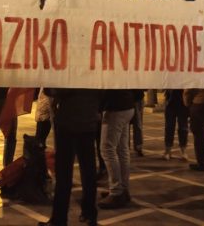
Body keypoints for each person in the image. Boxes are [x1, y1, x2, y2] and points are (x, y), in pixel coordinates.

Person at [38, 89, 102, 226]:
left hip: (67, 122)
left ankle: (59, 219)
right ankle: (90, 214)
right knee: (88, 171)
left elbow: (52, 90)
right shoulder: (95, 76)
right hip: (89, 121)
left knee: (64, 174)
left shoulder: (69, 77)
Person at [98, 90, 137, 209]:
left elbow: (104, 89)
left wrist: (98, 108)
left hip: (114, 107)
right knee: (122, 149)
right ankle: (123, 189)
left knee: (107, 149)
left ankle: (116, 191)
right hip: (127, 105)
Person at [163, 89, 189, 161]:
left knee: (183, 128)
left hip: (183, 104)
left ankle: (183, 151)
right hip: (170, 103)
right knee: (169, 128)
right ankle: (168, 151)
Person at [130, 89, 145, 157]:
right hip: (127, 97)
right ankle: (125, 147)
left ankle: (138, 147)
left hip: (138, 98)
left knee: (138, 124)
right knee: (125, 126)